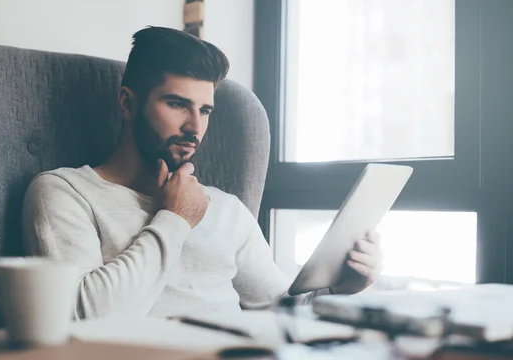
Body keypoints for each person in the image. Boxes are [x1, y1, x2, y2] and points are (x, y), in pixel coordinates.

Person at [22, 26, 383, 320]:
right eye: (178, 104)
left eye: (206, 110)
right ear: (127, 103)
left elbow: (281, 310)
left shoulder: (225, 208)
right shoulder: (64, 192)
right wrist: (174, 220)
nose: (195, 126)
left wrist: (339, 288)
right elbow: (87, 321)